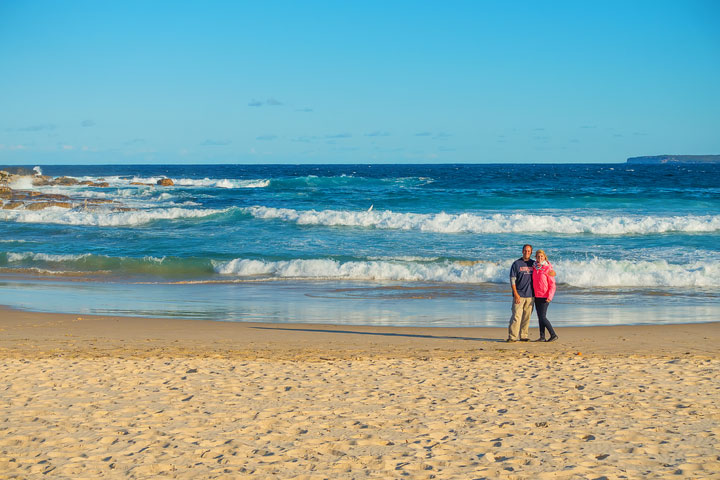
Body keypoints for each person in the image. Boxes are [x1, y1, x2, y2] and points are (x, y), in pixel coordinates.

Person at [507, 244, 535, 342]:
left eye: (529, 251)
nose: (527, 252)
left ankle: (523, 336)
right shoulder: (516, 264)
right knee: (516, 317)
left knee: (526, 317)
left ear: (531, 252)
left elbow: (544, 270)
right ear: (522, 251)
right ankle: (512, 337)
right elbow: (512, 280)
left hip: (531, 296)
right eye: (525, 250)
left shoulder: (534, 264)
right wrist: (515, 294)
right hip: (519, 295)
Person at [532, 249, 558, 342]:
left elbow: (552, 285)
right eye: (538, 256)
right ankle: (542, 337)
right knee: (540, 317)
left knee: (543, 317)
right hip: (536, 295)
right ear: (536, 257)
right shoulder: (534, 267)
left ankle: (553, 334)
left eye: (541, 256)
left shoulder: (548, 269)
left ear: (544, 257)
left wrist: (550, 297)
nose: (539, 258)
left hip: (545, 296)